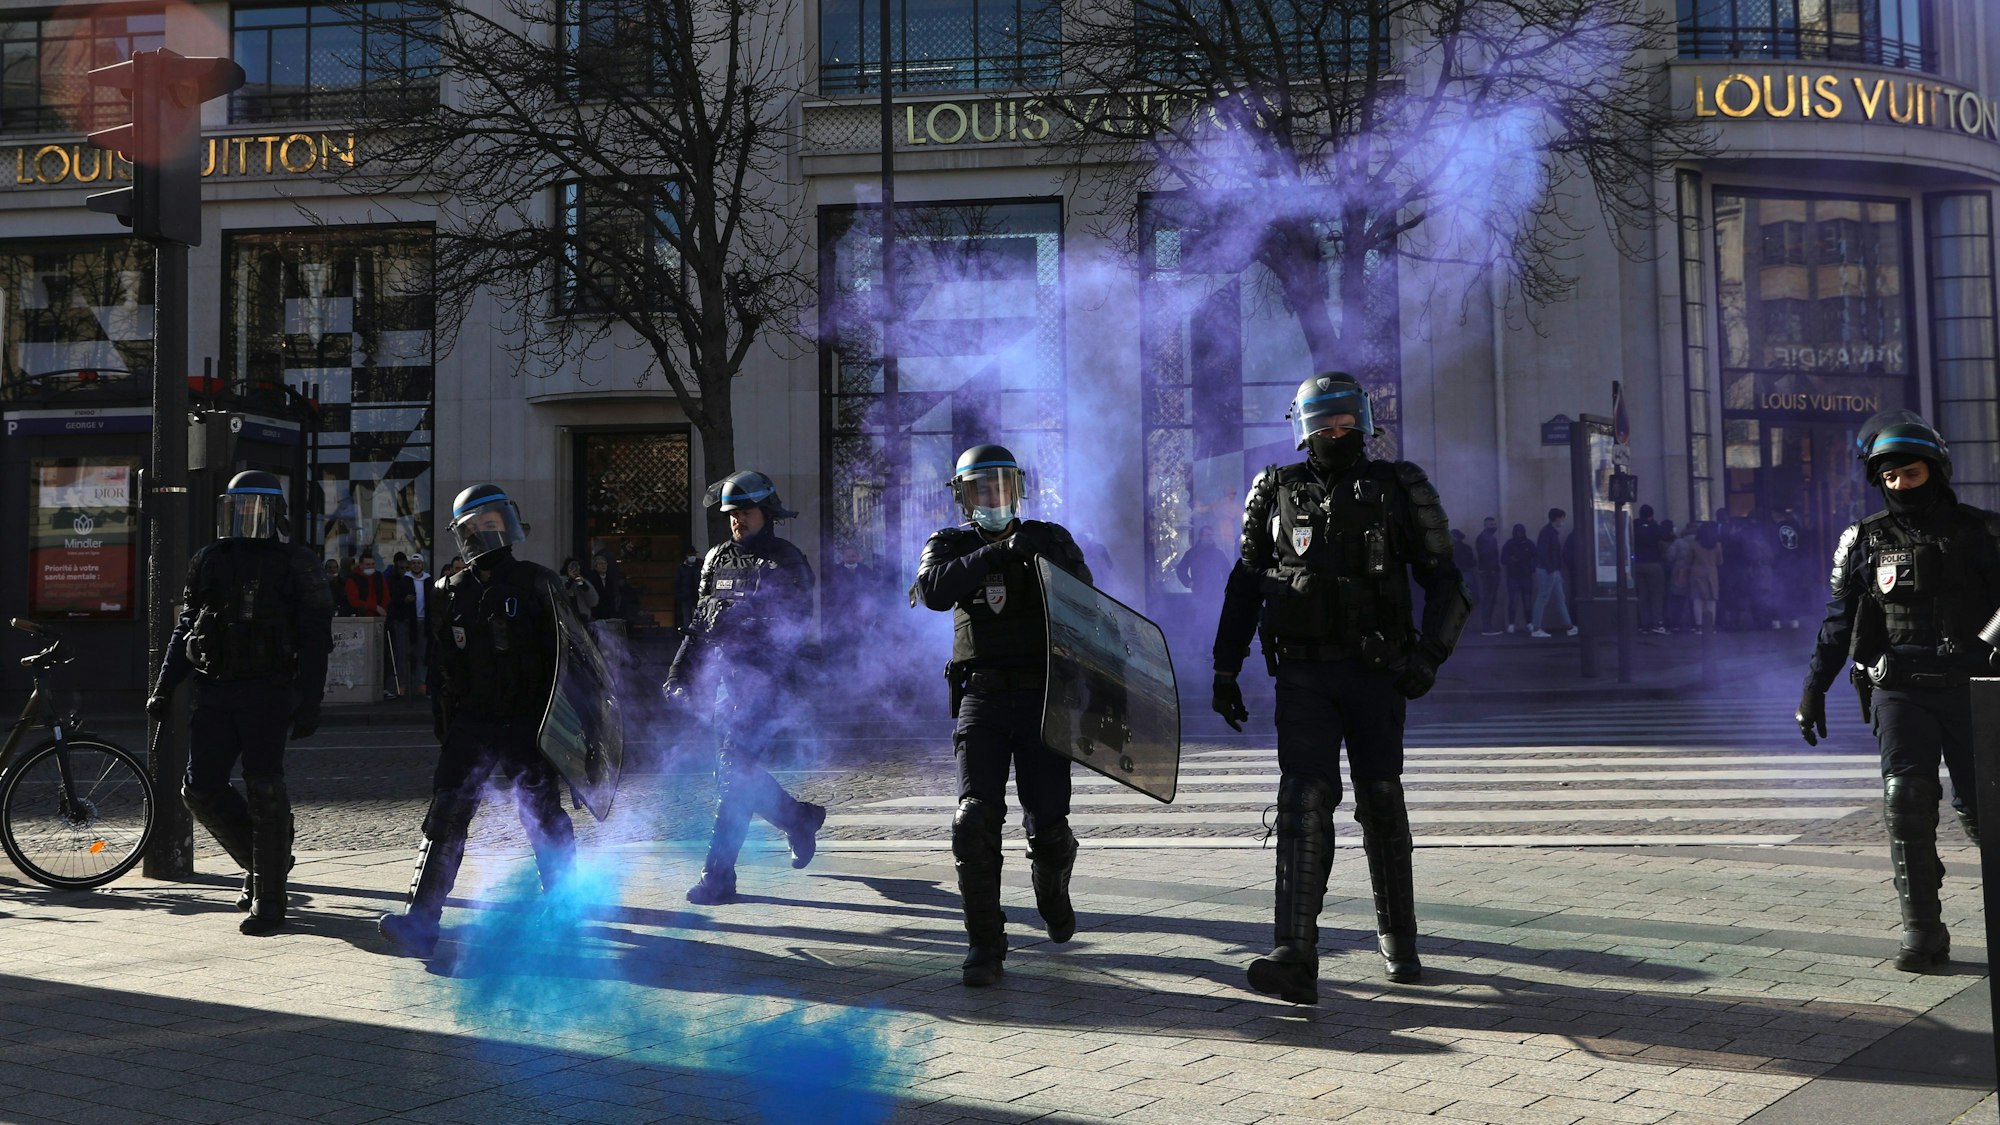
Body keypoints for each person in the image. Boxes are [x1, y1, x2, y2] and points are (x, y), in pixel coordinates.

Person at [1208, 372, 1471, 1004]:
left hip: (1376, 671)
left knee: (1381, 798)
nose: (1336, 430)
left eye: (1347, 419)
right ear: (1304, 428)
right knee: (1302, 798)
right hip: (1303, 673)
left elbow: (1448, 583)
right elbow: (1246, 582)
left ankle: (1399, 937)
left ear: (1364, 422)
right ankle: (1295, 955)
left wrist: (1429, 656)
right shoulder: (1274, 490)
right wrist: (1225, 667)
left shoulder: (1399, 487)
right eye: (1325, 421)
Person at [1796, 411, 2000, 973]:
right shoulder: (1863, 540)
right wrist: (1814, 690)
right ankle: (1923, 934)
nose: (1902, 485)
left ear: (1935, 470)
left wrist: (1988, 646)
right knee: (1905, 802)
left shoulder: (1984, 532)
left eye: (1912, 473)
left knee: (1986, 811)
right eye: (1891, 477)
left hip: (1973, 688)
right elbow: (1838, 624)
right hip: (1900, 691)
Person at [915, 444, 1093, 987]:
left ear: (1017, 489)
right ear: (964, 496)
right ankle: (985, 944)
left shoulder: (1051, 538)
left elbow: (1088, 605)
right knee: (973, 820)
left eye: (1001, 486)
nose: (993, 496)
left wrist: (1041, 559)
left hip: (1042, 698)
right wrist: (994, 555)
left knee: (1050, 827)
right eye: (981, 488)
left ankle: (1052, 888)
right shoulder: (949, 544)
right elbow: (932, 590)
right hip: (983, 695)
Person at [379, 485, 579, 958]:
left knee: (543, 815)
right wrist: (445, 723)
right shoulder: (449, 592)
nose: (485, 533)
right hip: (473, 722)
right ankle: (421, 922)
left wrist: (568, 733)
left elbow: (572, 661)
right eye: (475, 526)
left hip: (528, 722)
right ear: (462, 534)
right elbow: (441, 665)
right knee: (446, 814)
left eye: (492, 523)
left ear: (506, 525)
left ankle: (565, 915)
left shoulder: (538, 583)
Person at [145, 471, 334, 935]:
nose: (247, 519)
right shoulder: (210, 559)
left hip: (269, 691)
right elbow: (187, 627)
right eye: (239, 509)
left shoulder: (298, 564)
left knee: (264, 787)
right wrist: (165, 687)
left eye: (257, 509)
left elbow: (316, 639)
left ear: (276, 515)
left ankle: (270, 898)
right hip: (216, 688)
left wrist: (310, 701)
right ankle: (264, 862)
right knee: (199, 788)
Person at [663, 470, 826, 906]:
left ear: (767, 512)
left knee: (734, 773)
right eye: (732, 513)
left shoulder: (787, 560)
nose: (737, 520)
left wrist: (749, 624)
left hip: (767, 683)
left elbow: (794, 629)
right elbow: (700, 625)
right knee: (734, 773)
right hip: (725, 685)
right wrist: (678, 674)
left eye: (746, 512)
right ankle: (798, 818)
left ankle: (718, 878)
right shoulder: (716, 559)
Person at [1530, 509, 1577, 638]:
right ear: (1557, 518)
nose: (1563, 521)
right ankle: (1536, 628)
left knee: (1557, 598)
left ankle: (1569, 626)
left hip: (1550, 570)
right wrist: (1551, 570)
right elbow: (1543, 552)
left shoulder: (1548, 532)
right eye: (1562, 518)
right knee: (1545, 598)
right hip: (1548, 571)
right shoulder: (1549, 533)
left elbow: (1543, 552)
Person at [1633, 504, 1666, 634]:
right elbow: (1662, 540)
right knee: (1656, 594)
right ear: (1651, 515)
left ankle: (1644, 624)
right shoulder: (1655, 527)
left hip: (1638, 563)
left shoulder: (1634, 526)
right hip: (1654, 563)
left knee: (1642, 594)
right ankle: (1657, 623)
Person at [1500, 522, 1535, 634]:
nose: (1519, 533)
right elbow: (1503, 559)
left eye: (1520, 531)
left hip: (1523, 575)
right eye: (1517, 531)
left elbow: (1535, 558)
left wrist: (1530, 567)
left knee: (1526, 601)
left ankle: (1527, 623)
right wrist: (1512, 560)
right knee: (1514, 601)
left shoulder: (1527, 544)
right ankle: (1514, 624)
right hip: (1515, 575)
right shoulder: (1511, 544)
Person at [1689, 522, 1723, 634]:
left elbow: (1689, 559)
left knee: (1697, 599)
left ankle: (1698, 625)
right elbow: (1720, 561)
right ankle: (1711, 626)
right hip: (1712, 573)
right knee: (1711, 600)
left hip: (1697, 572)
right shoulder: (1717, 545)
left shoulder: (1694, 545)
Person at [1474, 517, 1503, 635]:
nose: (1493, 526)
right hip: (1489, 573)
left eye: (1494, 524)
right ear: (1485, 525)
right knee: (1488, 600)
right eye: (1490, 524)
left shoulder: (1488, 538)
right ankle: (1487, 627)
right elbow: (1485, 555)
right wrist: (1491, 570)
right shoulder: (1484, 538)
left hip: (1490, 572)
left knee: (1490, 600)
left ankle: (1488, 626)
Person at [344, 553, 390, 619]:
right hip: (360, 617)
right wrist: (375, 607)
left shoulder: (379, 576)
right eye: (367, 564)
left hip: (380, 615)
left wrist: (383, 609)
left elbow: (386, 595)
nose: (371, 566)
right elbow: (354, 601)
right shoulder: (352, 579)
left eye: (373, 564)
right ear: (360, 565)